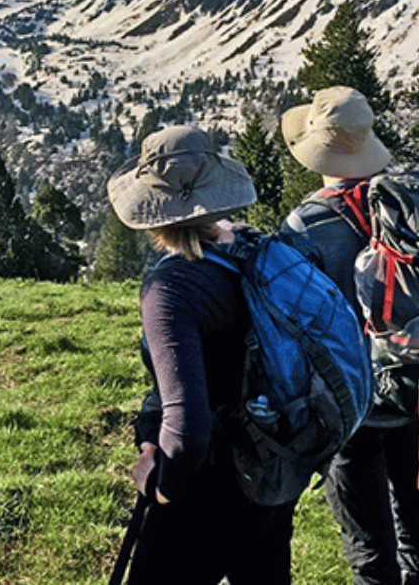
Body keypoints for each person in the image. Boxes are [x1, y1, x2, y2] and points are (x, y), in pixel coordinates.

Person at [107, 125, 296, 585]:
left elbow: (189, 424)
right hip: (271, 461)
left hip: (212, 479)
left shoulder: (170, 288)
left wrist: (165, 489)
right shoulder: (252, 249)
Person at [279, 87, 419, 585]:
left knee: (368, 539)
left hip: (348, 401)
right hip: (410, 384)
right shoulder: (405, 208)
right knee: (411, 510)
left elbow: (287, 320)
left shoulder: (306, 224)